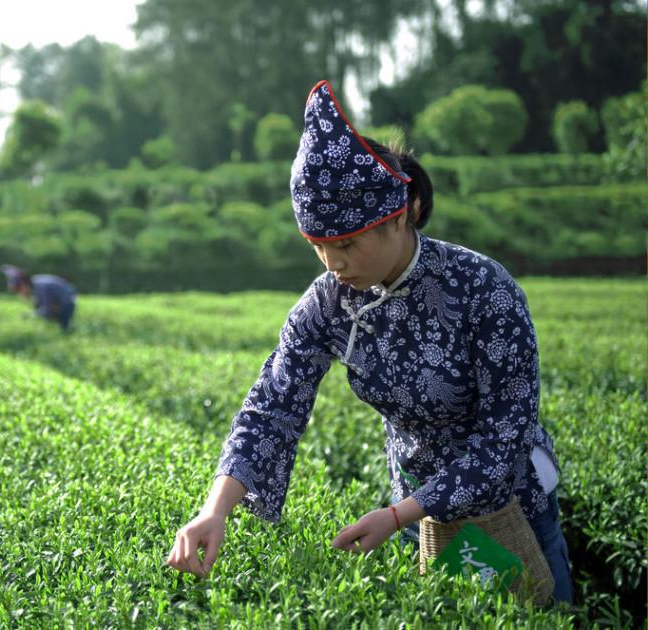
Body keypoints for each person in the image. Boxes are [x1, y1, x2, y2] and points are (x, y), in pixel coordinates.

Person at [166, 80, 573, 605]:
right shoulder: (331, 300)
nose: (334, 263)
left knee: (543, 610)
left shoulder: (483, 288)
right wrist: (213, 510)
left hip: (509, 503)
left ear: (400, 215)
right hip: (410, 510)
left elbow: (504, 437)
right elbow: (272, 405)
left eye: (347, 244)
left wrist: (401, 514)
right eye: (318, 247)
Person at [1, 265, 77, 333]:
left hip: (66, 302)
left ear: (24, 284)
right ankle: (67, 329)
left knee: (61, 324)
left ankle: (67, 330)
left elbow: (46, 310)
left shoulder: (41, 287)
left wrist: (29, 315)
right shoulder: (35, 284)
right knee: (41, 310)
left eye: (19, 290)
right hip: (63, 300)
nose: (20, 293)